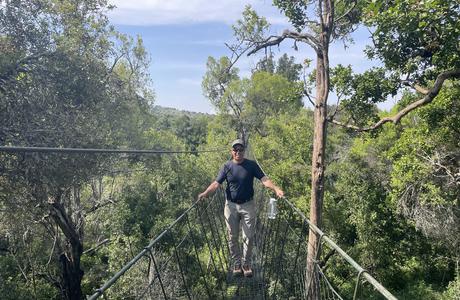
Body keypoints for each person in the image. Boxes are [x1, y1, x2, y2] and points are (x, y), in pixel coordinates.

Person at [198, 139, 284, 277]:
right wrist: (205, 193)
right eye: (235, 150)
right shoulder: (226, 166)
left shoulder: (251, 165)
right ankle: (237, 263)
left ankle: (246, 263)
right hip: (231, 206)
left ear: (244, 151)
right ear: (231, 152)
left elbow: (264, 179)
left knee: (249, 236)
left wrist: (276, 189)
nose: (238, 152)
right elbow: (216, 183)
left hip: (248, 205)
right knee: (232, 236)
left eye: (241, 150)